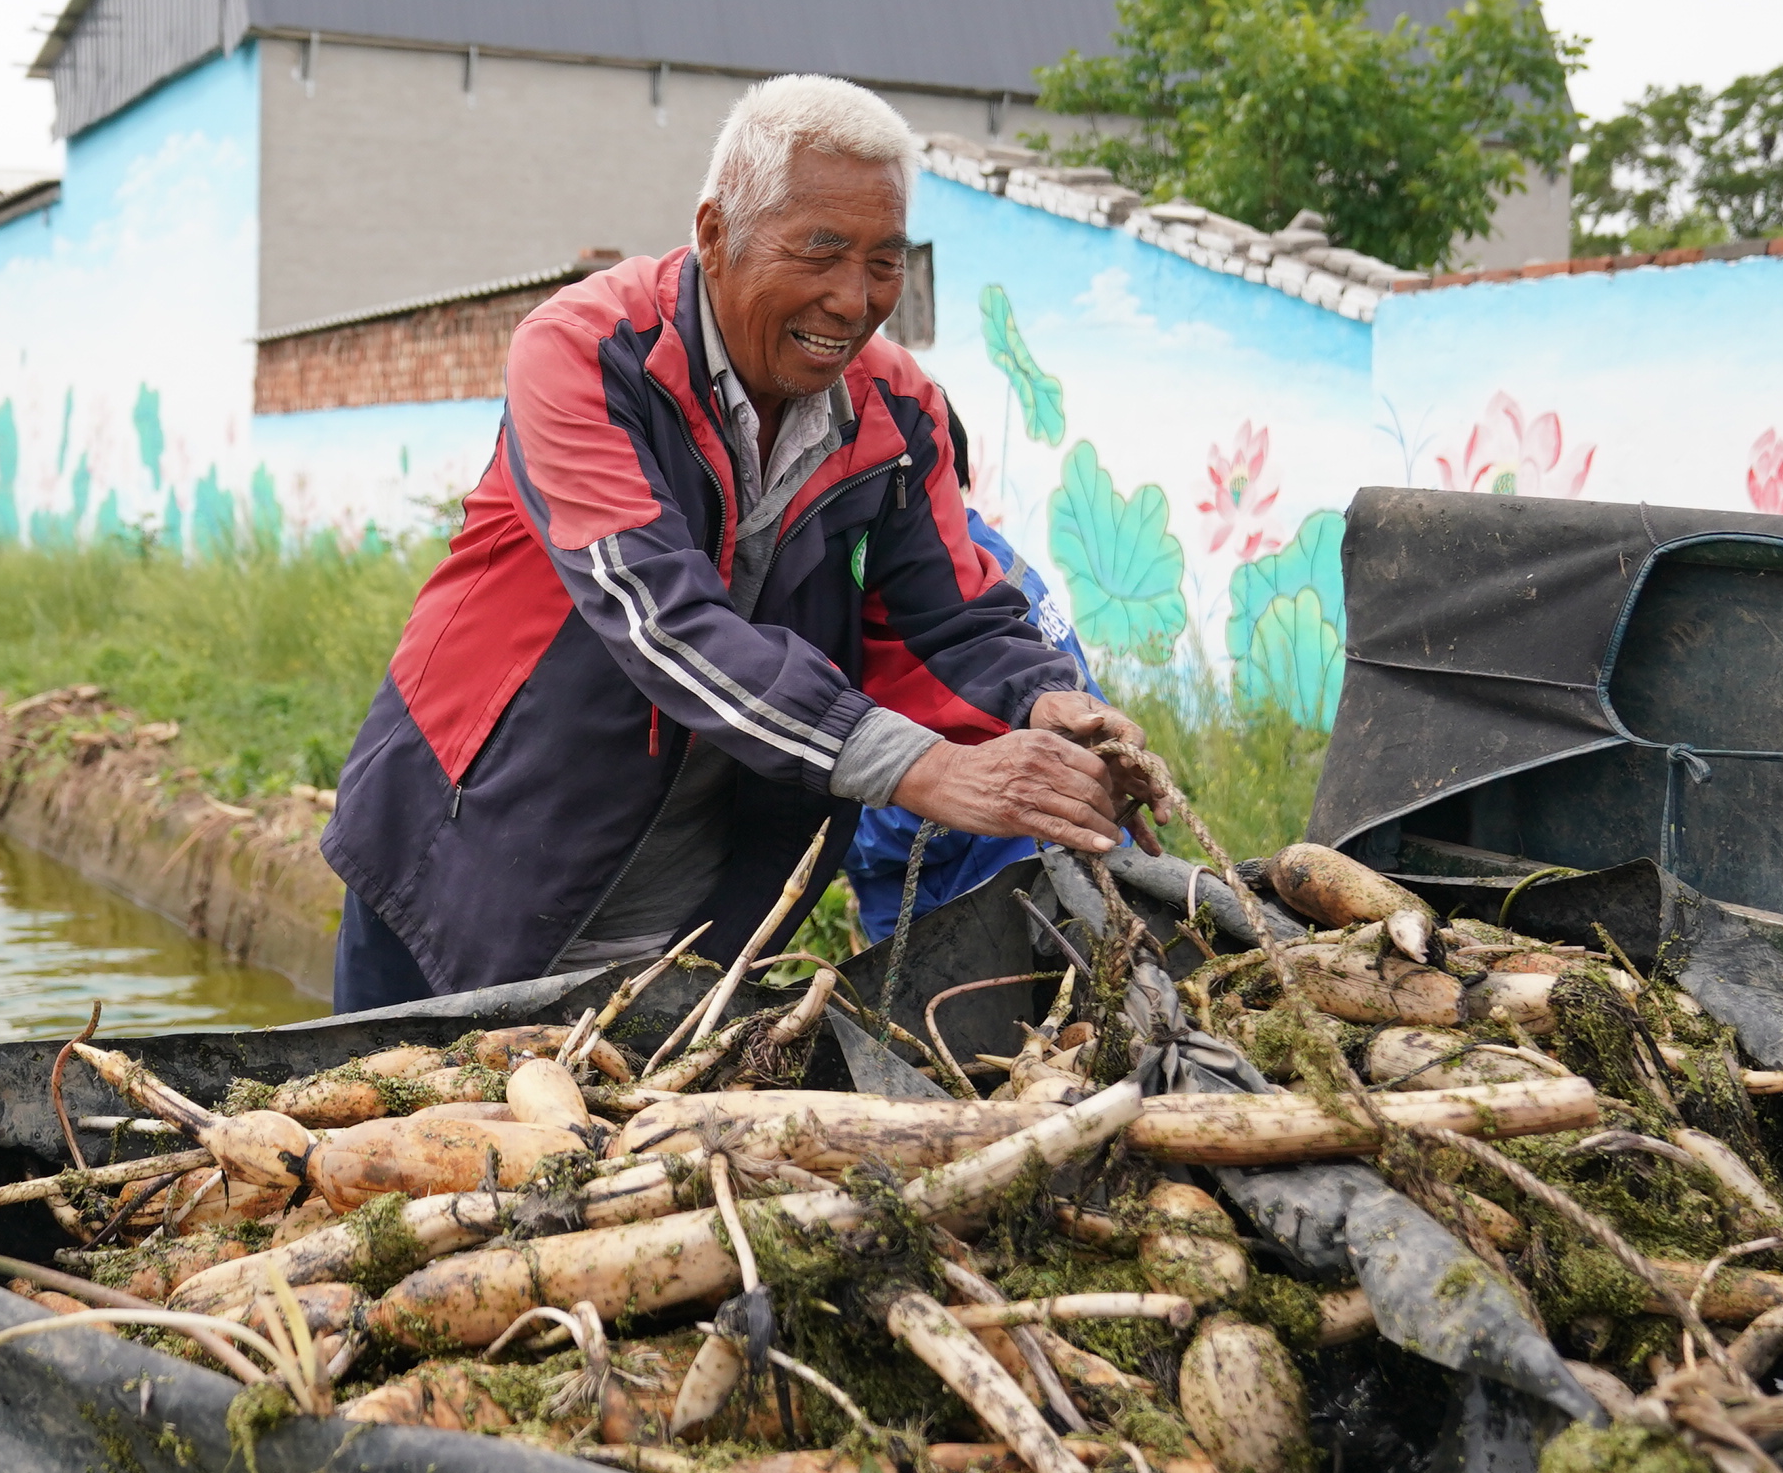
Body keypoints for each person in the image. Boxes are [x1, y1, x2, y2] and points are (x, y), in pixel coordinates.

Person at [323, 77, 1161, 1004]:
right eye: (821, 252)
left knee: (642, 1092)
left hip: (703, 903)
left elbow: (953, 617)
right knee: (402, 1089)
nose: (853, 300)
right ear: (716, 235)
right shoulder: (588, 351)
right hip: (473, 855)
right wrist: (923, 768)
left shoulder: (900, 411)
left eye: (885, 262)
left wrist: (1042, 699)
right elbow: (663, 620)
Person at [841, 505, 1113, 944]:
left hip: (997, 894)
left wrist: (826, 830)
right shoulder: (981, 551)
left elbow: (931, 816)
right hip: (1054, 862)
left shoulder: (918, 574)